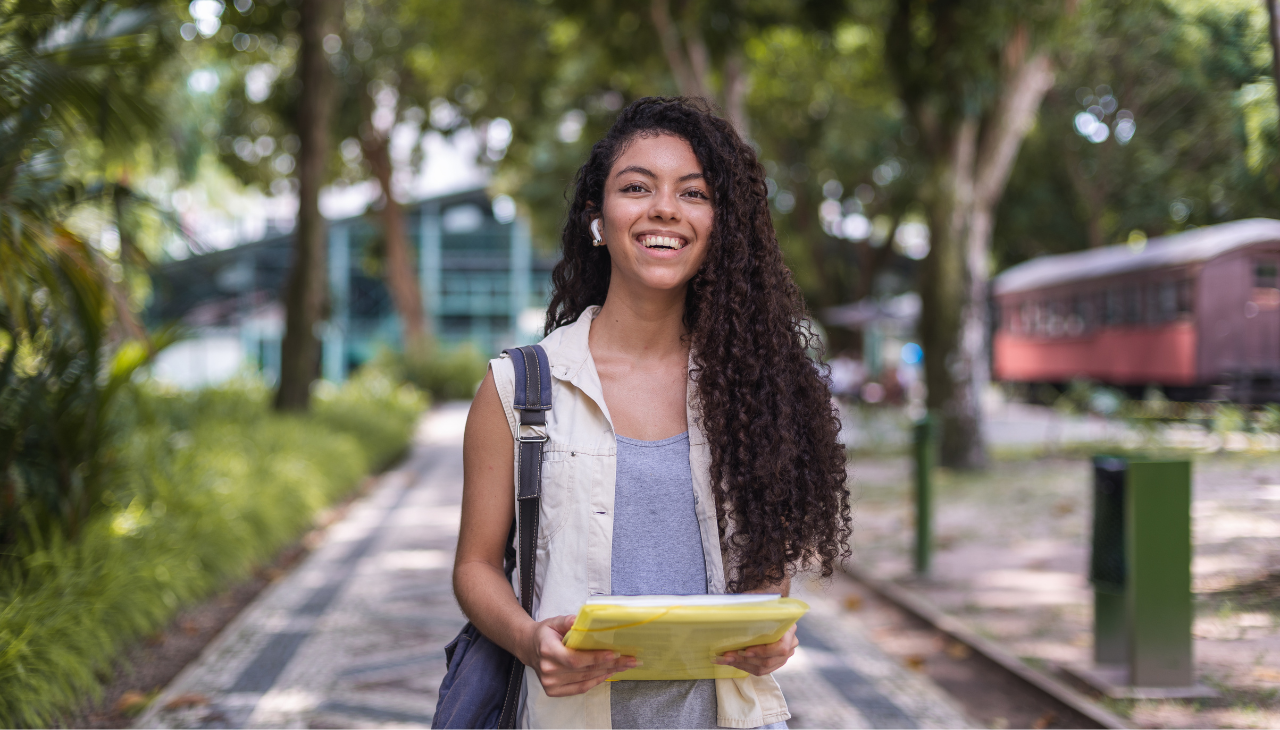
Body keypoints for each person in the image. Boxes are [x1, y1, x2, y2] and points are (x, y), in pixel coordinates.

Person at [453, 97, 851, 729]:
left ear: (720, 224)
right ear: (598, 219)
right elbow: (475, 567)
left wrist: (768, 631)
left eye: (693, 193)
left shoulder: (757, 389)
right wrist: (531, 643)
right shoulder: (520, 387)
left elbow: (766, 571)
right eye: (637, 187)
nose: (664, 207)